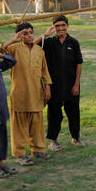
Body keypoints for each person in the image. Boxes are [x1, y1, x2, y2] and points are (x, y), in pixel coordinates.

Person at [0, 22, 53, 166]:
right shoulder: (14, 49)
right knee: (20, 126)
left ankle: (38, 149)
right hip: (20, 94)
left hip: (36, 93)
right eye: (25, 33)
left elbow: (44, 71)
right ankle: (20, 154)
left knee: (37, 123)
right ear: (20, 36)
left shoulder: (40, 51)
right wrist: (13, 40)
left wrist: (47, 87)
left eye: (30, 32)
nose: (29, 35)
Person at [34, 15, 84, 150]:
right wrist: (44, 35)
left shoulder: (73, 43)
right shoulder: (49, 42)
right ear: (53, 27)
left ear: (67, 26)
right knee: (54, 114)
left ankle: (75, 137)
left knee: (73, 112)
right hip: (53, 86)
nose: (60, 28)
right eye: (57, 26)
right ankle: (53, 140)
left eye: (63, 25)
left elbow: (79, 64)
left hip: (71, 85)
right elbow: (31, 45)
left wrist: (76, 84)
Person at [0, 41, 18, 178]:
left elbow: (12, 62)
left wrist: (0, 55)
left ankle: (0, 163)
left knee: (1, 136)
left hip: (0, 109)